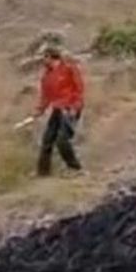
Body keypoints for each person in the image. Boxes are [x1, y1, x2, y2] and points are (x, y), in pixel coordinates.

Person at [33, 45, 85, 176]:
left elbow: (79, 88)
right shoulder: (46, 76)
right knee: (47, 140)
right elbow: (46, 96)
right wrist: (39, 110)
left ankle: (75, 168)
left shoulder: (69, 68)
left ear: (50, 57)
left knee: (62, 140)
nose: (42, 61)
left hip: (69, 108)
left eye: (44, 57)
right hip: (57, 109)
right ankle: (42, 172)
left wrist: (75, 107)